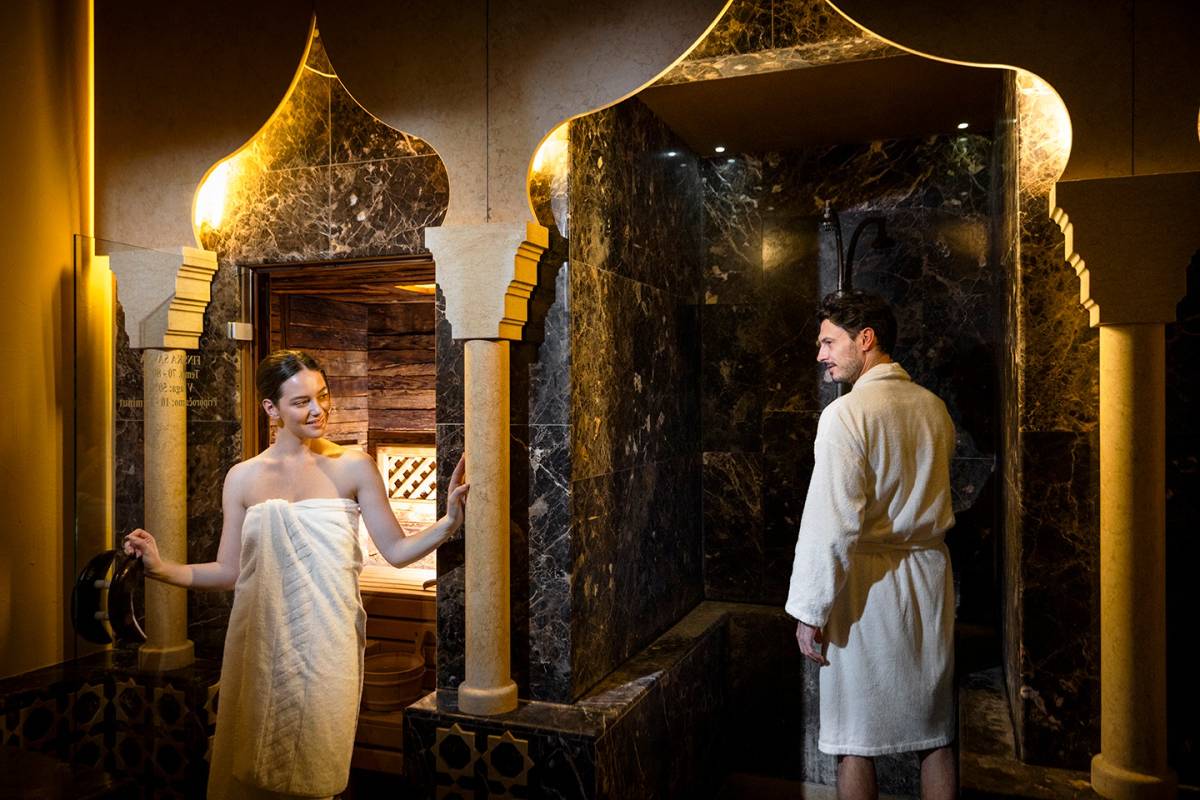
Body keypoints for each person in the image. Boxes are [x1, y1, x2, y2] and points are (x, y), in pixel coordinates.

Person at [123, 349, 469, 800]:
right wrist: (161, 568)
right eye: (301, 401)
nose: (318, 410)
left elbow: (397, 552)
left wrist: (449, 522)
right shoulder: (242, 478)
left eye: (323, 396)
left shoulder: (354, 466)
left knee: (318, 769)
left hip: (328, 645)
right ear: (271, 408)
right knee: (253, 767)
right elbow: (229, 571)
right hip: (261, 644)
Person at [786, 292, 956, 800]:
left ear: (866, 339)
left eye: (828, 341)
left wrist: (810, 610)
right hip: (928, 581)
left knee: (852, 739)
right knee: (936, 733)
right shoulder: (934, 408)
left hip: (867, 588)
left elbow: (831, 523)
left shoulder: (846, 415)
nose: (820, 353)